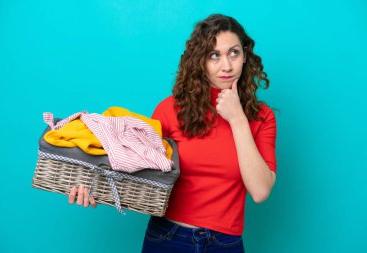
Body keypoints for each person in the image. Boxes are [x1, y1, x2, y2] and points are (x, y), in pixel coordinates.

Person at [69, 14, 277, 253]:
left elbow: (260, 191)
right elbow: (137, 168)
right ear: (200, 61)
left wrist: (238, 119)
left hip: (225, 244)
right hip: (168, 238)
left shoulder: (262, 118)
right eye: (214, 55)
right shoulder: (170, 109)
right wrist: (95, 187)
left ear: (245, 57)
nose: (226, 66)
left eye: (234, 52)